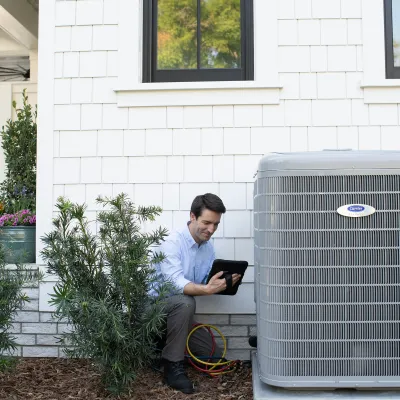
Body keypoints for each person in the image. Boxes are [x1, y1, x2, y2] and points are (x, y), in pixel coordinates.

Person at [151, 193, 241, 394]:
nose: (211, 230)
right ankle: (171, 367)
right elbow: (176, 283)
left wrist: (222, 284)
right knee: (185, 302)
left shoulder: (208, 249)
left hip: (179, 317)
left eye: (216, 224)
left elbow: (201, 284)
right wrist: (207, 289)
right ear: (192, 216)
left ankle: (160, 349)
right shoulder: (172, 242)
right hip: (152, 311)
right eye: (207, 222)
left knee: (214, 358)